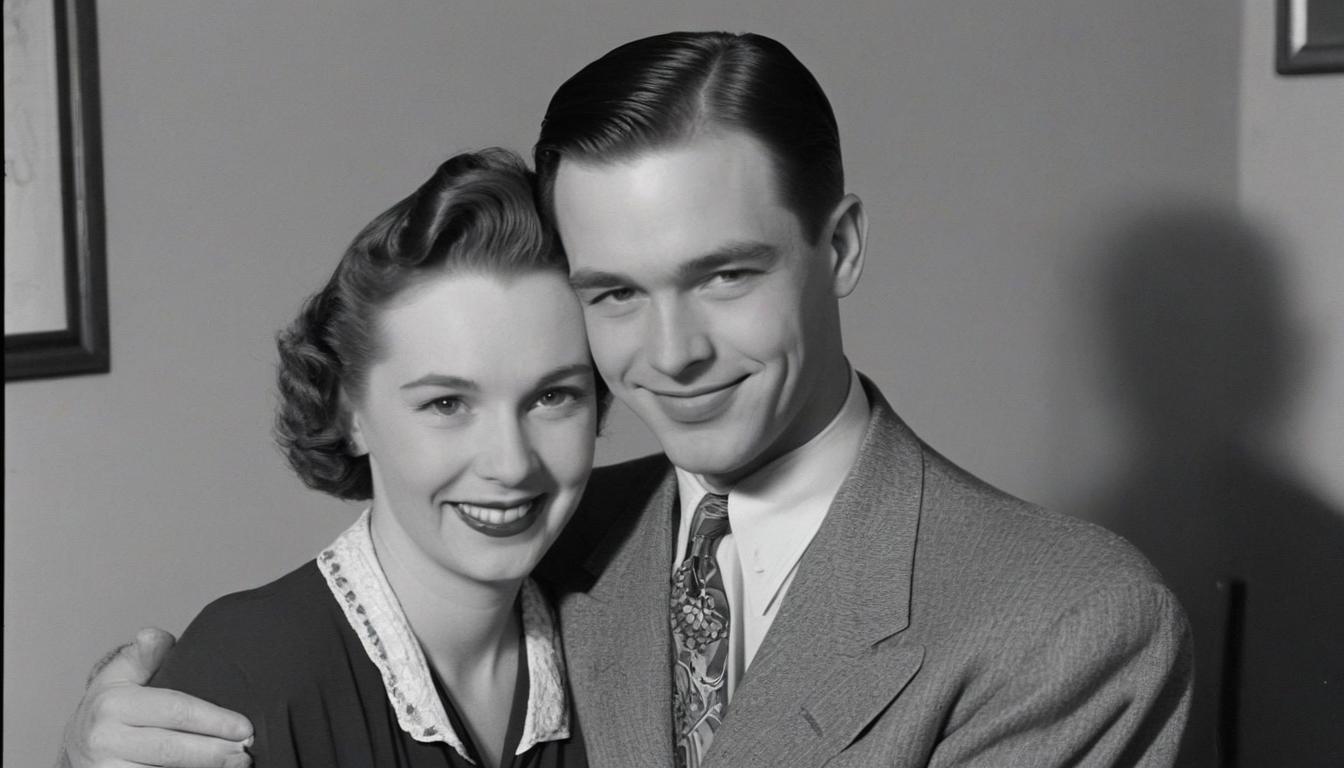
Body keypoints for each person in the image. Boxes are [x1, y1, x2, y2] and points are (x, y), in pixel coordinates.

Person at [62, 31, 1192, 768]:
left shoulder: (1069, 621)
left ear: (837, 247)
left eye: (726, 275)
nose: (672, 353)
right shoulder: (542, 538)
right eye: (612, 293)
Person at [69, 149, 599, 767]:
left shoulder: (634, 593)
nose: (511, 464)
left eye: (553, 396)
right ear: (350, 414)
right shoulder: (251, 671)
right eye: (447, 403)